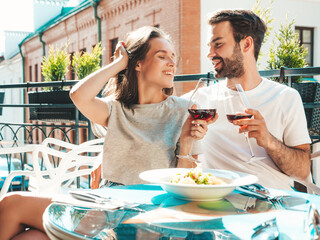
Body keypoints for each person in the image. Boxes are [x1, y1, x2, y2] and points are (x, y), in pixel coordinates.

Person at [0, 26, 215, 239]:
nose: (172, 62)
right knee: (24, 227)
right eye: (162, 56)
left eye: (173, 56)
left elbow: (184, 184)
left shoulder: (183, 110)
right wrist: (119, 64)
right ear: (137, 63)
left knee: (14, 210)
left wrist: (186, 143)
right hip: (104, 204)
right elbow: (78, 95)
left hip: (142, 214)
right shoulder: (116, 109)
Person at [192, 9, 311, 190]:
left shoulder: (286, 97)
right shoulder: (201, 99)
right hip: (217, 204)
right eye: (210, 46)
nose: (210, 53)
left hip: (271, 203)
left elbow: (302, 172)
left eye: (218, 44)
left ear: (246, 44)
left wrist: (269, 141)